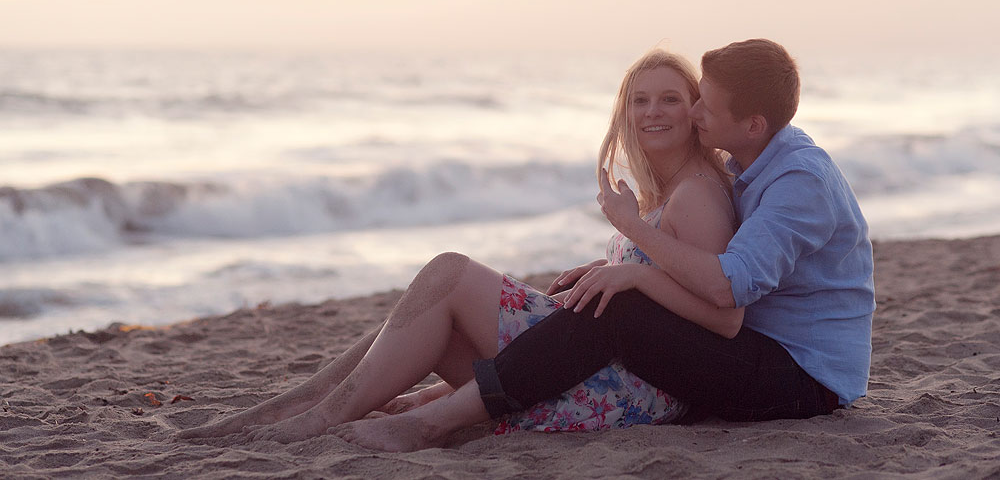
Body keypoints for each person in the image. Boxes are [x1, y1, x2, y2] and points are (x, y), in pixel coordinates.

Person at [333, 38, 876, 451]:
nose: (692, 114)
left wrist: (633, 249)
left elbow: (726, 292)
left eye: (700, 105)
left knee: (620, 304)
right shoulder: (752, 163)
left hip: (803, 378)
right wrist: (625, 260)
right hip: (755, 353)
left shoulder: (797, 183)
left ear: (753, 124)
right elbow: (711, 275)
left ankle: (439, 417)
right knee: (603, 299)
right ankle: (378, 403)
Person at [178, 48, 737, 442]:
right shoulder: (660, 195)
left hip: (629, 388)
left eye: (668, 99)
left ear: (693, 110)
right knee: (419, 315)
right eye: (640, 101)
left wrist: (633, 264)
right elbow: (671, 273)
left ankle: (320, 412)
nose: (652, 113)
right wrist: (610, 265)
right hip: (587, 364)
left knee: (448, 273)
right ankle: (309, 405)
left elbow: (721, 317)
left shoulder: (697, 195)